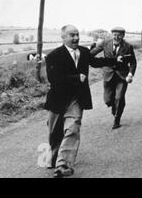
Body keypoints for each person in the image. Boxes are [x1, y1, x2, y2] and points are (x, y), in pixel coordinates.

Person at [44, 25, 118, 178]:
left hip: (76, 98)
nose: (76, 38)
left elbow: (96, 62)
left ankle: (63, 165)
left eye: (77, 35)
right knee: (54, 133)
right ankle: (53, 157)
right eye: (72, 35)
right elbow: (54, 79)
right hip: (58, 99)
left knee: (73, 128)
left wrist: (115, 60)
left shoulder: (84, 52)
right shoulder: (53, 56)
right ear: (63, 37)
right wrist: (76, 78)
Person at [90, 27, 137, 129]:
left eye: (119, 35)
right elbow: (91, 54)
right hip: (108, 75)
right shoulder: (105, 43)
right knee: (107, 100)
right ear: (112, 35)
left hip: (122, 76)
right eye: (115, 34)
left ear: (123, 35)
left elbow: (133, 62)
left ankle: (117, 119)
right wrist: (94, 45)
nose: (117, 37)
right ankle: (114, 106)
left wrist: (130, 74)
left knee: (119, 98)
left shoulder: (128, 46)